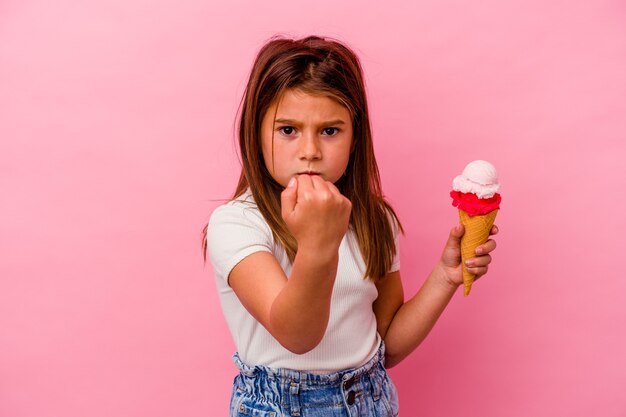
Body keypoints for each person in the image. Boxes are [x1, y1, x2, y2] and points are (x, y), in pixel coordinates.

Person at [202, 35, 498, 417]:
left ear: (355, 137)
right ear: (256, 135)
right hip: (280, 406)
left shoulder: (374, 219)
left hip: (370, 399)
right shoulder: (238, 224)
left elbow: (386, 344)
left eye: (330, 130)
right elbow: (297, 335)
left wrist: (444, 277)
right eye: (288, 130)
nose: (309, 150)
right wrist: (317, 243)